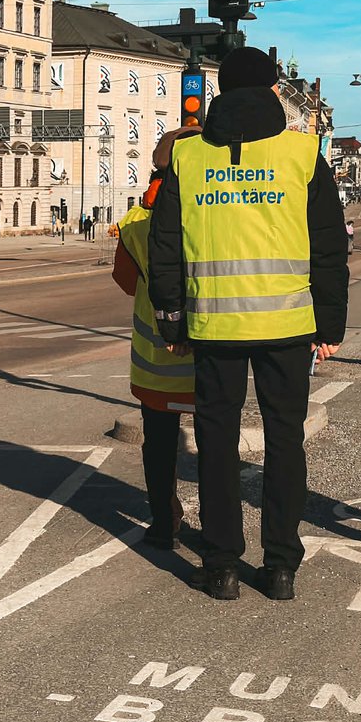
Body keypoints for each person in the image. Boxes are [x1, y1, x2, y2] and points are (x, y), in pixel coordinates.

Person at [148, 46, 348, 601]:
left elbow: (166, 248)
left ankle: (221, 567)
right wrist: (329, 324)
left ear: (220, 91)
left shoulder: (188, 158)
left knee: (217, 444)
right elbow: (329, 248)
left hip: (214, 327)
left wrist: (171, 320)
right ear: (271, 90)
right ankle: (281, 567)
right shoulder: (304, 154)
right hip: (287, 325)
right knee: (286, 442)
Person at [113, 127, 199, 549]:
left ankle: (165, 523)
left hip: (157, 363)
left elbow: (126, 283)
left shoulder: (135, 225)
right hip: (212, 361)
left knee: (159, 446)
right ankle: (220, 531)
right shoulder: (211, 217)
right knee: (216, 446)